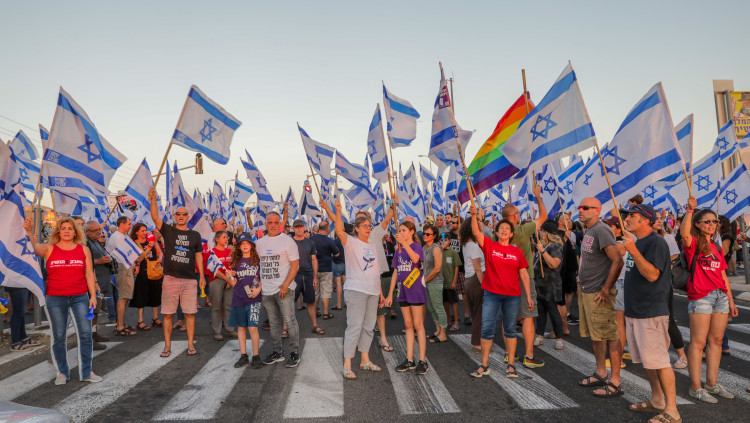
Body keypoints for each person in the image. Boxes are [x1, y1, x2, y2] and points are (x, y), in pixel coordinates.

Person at [620, 204, 681, 423]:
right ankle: (657, 400)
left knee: (660, 361)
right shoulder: (637, 241)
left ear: (645, 220)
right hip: (636, 311)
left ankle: (672, 410)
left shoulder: (656, 242)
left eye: (632, 216)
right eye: (627, 215)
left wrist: (633, 251)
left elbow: (653, 275)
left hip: (651, 311)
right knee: (649, 361)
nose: (627, 219)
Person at [23, 216, 102, 385]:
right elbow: (33, 248)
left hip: (80, 297)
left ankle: (86, 372)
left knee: (86, 334)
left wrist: (93, 296)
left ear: (75, 232)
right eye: (63, 228)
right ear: (58, 231)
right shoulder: (49, 248)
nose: (66, 231)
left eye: (70, 228)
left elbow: (89, 273)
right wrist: (28, 231)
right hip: (55, 298)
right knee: (59, 336)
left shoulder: (83, 250)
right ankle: (61, 372)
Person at [681, 197, 739, 403]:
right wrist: (690, 210)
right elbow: (684, 233)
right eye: (707, 221)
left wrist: (730, 300)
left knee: (716, 341)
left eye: (714, 221)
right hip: (701, 297)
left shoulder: (716, 246)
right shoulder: (693, 242)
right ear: (698, 224)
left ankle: (711, 384)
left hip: (720, 296)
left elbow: (723, 275)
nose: (712, 224)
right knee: (698, 343)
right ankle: (695, 387)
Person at [321, 200, 385, 380]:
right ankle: (347, 364)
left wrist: (380, 293)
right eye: (364, 226)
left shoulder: (372, 245)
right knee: (354, 326)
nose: (368, 228)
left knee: (369, 327)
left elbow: (376, 270)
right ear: (356, 228)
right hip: (356, 290)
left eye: (369, 226)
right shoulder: (350, 242)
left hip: (373, 291)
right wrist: (337, 211)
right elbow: (339, 229)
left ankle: (365, 360)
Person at [468, 204, 533, 379]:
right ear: (496, 232)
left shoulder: (517, 251)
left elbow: (524, 274)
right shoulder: (490, 246)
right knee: (487, 328)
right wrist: (474, 216)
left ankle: (511, 365)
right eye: (501, 228)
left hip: (512, 296)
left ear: (511, 234)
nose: (504, 230)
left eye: (507, 229)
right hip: (492, 294)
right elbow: (476, 233)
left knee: (510, 329)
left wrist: (528, 296)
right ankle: (484, 365)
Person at [148, 188, 205, 358]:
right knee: (168, 314)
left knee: (190, 314)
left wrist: (202, 276)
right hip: (170, 279)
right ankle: (167, 346)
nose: (181, 216)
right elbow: (155, 217)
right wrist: (153, 199)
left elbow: (199, 256)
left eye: (184, 214)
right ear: (175, 216)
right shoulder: (169, 230)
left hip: (189, 280)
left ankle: (190, 344)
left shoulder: (195, 235)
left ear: (188, 217)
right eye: (178, 214)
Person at [576, 197, 624, 397]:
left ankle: (615, 381)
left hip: (599, 293)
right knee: (596, 336)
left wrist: (606, 289)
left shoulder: (602, 230)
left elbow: (618, 260)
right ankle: (601, 372)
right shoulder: (590, 230)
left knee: (610, 336)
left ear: (597, 210)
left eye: (585, 207)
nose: (580, 210)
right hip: (588, 291)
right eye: (580, 207)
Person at [501, 182, 547, 369]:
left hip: (505, 279)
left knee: (508, 317)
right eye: (518, 213)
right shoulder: (522, 230)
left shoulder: (500, 234)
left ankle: (508, 353)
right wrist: (538, 197)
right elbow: (543, 216)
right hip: (524, 278)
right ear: (514, 216)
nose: (519, 216)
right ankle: (529, 356)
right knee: (528, 316)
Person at [257, 211, 301, 367]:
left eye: (276, 222)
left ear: (280, 224)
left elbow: (295, 265)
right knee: (274, 323)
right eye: (270, 222)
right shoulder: (259, 243)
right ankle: (278, 352)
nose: (273, 225)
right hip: (267, 291)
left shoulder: (287, 241)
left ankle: (294, 353)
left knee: (290, 321)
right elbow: (258, 265)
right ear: (266, 224)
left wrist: (285, 285)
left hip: (284, 289)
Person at [387, 220, 429, 375]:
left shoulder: (416, 246)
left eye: (404, 230)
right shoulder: (398, 249)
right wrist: (390, 294)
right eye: (400, 230)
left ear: (412, 232)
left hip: (415, 289)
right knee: (408, 324)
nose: (401, 233)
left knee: (418, 325)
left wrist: (404, 243)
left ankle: (422, 361)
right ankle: (409, 359)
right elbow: (395, 272)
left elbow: (416, 259)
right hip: (402, 290)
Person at [653, 212, 688, 369]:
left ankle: (682, 355)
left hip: (662, 284)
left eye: (660, 218)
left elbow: (675, 257)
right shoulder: (638, 238)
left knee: (668, 320)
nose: (659, 221)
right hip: (644, 287)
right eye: (655, 218)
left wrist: (663, 271)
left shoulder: (667, 238)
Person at [227, 233, 264, 369]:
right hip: (238, 298)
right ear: (238, 247)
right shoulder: (236, 262)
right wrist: (229, 276)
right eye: (242, 244)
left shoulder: (258, 260)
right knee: (241, 327)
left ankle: (256, 356)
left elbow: (262, 278)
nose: (245, 246)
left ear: (252, 245)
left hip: (254, 299)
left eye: (247, 243)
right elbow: (234, 283)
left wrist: (259, 289)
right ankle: (243, 355)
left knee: (252, 327)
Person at [603, 215, 631, 369]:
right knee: (625, 322)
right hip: (624, 283)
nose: (607, 229)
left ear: (619, 229)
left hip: (619, 283)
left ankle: (618, 359)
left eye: (610, 227)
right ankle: (629, 353)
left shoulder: (619, 245)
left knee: (618, 322)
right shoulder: (624, 241)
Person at [533, 221, 565, 351]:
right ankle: (539, 336)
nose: (540, 232)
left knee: (553, 311)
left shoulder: (555, 246)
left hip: (550, 285)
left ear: (547, 233)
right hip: (540, 285)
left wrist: (542, 251)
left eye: (541, 230)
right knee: (540, 312)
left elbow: (554, 264)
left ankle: (559, 339)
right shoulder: (544, 245)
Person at [106, 216, 138, 336]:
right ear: (122, 224)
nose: (131, 226)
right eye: (129, 224)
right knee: (123, 297)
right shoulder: (117, 237)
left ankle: (121, 324)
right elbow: (124, 255)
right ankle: (120, 327)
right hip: (122, 267)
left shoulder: (122, 236)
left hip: (125, 267)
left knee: (124, 297)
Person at [128, 223, 162, 333]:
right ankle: (140, 321)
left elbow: (159, 252)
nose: (145, 232)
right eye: (142, 231)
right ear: (136, 232)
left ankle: (155, 318)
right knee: (141, 296)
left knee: (156, 294)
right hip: (143, 272)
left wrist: (160, 258)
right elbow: (138, 259)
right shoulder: (134, 243)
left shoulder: (151, 240)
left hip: (154, 270)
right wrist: (148, 249)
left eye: (145, 230)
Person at [291, 219, 323, 335]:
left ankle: (315, 326)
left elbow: (314, 260)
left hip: (308, 275)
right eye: (297, 227)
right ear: (293, 229)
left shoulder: (310, 243)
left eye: (301, 226)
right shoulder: (289, 242)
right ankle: (285, 328)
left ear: (304, 228)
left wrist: (315, 277)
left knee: (311, 302)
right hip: (293, 276)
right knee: (289, 303)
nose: (299, 228)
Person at [84, 220, 112, 350]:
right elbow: (86, 262)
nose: (98, 233)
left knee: (97, 311)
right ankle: (90, 338)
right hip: (95, 283)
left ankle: (95, 334)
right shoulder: (86, 243)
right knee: (92, 312)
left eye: (99, 230)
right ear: (87, 231)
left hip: (102, 281)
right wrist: (99, 261)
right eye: (95, 231)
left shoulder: (96, 242)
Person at [460, 218, 485, 354]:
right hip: (476, 280)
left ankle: (477, 342)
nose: (480, 227)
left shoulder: (467, 244)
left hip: (469, 280)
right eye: (478, 225)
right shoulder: (474, 246)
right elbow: (478, 268)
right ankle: (477, 344)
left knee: (475, 313)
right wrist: (485, 285)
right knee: (479, 314)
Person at [206, 230, 235, 341]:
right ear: (217, 239)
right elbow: (214, 270)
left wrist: (230, 280)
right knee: (216, 306)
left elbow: (233, 266)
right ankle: (217, 331)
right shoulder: (211, 252)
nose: (226, 239)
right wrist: (227, 279)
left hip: (229, 282)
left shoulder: (229, 251)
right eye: (224, 237)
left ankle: (229, 329)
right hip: (216, 281)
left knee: (228, 305)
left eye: (227, 237)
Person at [422, 223, 447, 343]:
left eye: (428, 234)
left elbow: (437, 269)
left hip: (435, 282)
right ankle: (438, 330)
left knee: (438, 307)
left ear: (434, 235)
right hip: (427, 282)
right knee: (431, 307)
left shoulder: (436, 248)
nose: (425, 235)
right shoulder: (424, 247)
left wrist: (425, 280)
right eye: (424, 233)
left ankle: (443, 334)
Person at [311, 220, 340, 316]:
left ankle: (314, 312)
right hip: (326, 268)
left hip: (314, 269)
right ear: (327, 229)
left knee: (316, 292)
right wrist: (331, 254)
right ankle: (326, 313)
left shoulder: (311, 239)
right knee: (326, 291)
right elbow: (337, 254)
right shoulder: (329, 240)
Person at [446, 214, 471, 326]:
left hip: (462, 268)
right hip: (449, 268)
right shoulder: (448, 235)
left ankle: (467, 314)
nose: (451, 223)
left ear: (459, 224)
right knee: (450, 293)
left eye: (453, 222)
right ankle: (454, 315)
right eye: (451, 222)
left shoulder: (464, 236)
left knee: (464, 293)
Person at [556, 212, 578, 335]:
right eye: (567, 219)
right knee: (561, 301)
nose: (569, 220)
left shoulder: (569, 233)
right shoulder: (558, 234)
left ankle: (566, 316)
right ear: (560, 222)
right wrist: (565, 238)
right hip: (562, 271)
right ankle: (561, 327)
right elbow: (558, 250)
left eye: (569, 219)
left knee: (570, 292)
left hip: (570, 269)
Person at [440, 233, 462, 333]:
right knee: (444, 302)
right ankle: (448, 319)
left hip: (450, 282)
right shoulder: (439, 251)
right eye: (441, 240)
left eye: (445, 240)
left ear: (449, 241)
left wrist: (454, 281)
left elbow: (456, 267)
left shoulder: (453, 252)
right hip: (441, 282)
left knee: (453, 302)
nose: (443, 242)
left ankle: (456, 321)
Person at [332, 233, 346, 310]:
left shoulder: (335, 241)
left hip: (337, 263)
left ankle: (339, 305)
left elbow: (333, 253)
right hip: (345, 263)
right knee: (346, 284)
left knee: (338, 284)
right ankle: (347, 302)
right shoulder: (346, 241)